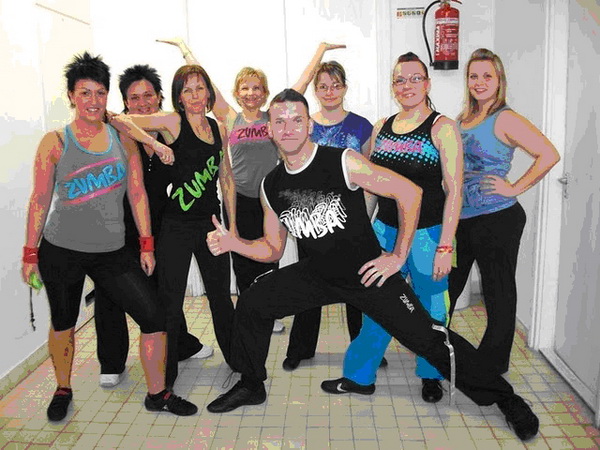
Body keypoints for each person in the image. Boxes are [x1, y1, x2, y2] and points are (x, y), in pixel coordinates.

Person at [204, 89, 540, 443]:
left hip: (366, 273)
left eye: (297, 120)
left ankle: (506, 398)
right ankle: (251, 384)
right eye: (280, 122)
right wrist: (234, 243)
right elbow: (273, 250)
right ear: (270, 129)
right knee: (254, 300)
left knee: (430, 338)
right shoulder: (271, 185)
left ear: (309, 126)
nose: (288, 128)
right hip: (318, 273)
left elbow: (409, 192)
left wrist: (397, 255)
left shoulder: (342, 161)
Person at [21, 52, 197, 421]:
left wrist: (146, 244)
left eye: (100, 93)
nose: (93, 101)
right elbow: (39, 200)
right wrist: (30, 253)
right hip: (62, 250)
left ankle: (158, 394)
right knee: (64, 323)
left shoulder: (122, 137)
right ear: (72, 96)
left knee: (153, 317)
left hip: (112, 252)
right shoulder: (54, 141)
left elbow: (137, 193)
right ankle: (63, 387)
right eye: (85, 93)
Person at [158, 38, 344, 337]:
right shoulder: (230, 119)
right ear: (236, 93)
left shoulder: (274, 117)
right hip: (241, 199)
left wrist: (320, 50)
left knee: (271, 258)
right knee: (243, 261)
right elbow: (206, 82)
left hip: (271, 200)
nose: (251, 93)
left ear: (265, 93)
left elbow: (300, 86)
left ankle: (268, 310)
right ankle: (249, 312)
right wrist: (184, 49)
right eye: (245, 88)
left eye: (257, 88)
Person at [322, 52, 463, 403]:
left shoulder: (442, 127)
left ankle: (431, 374)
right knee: (377, 303)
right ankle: (359, 376)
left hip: (429, 234)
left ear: (427, 84)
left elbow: (454, 190)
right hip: (384, 231)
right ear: (393, 86)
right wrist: (361, 232)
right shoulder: (381, 127)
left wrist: (446, 245)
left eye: (415, 79)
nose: (407, 85)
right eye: (400, 80)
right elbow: (371, 187)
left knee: (432, 307)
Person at [110, 63, 237, 389]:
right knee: (170, 303)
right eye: (187, 90)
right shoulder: (171, 122)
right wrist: (154, 144)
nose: (194, 96)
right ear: (178, 96)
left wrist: (232, 227)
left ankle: (238, 361)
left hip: (211, 225)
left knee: (221, 299)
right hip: (176, 227)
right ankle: (166, 380)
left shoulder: (219, 128)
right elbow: (117, 119)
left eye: (200, 88)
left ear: (208, 92)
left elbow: (226, 178)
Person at [93, 65, 210, 388]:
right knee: (109, 292)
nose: (142, 103)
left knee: (166, 289)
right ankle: (112, 361)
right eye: (134, 98)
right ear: (125, 103)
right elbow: (105, 116)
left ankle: (180, 344)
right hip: (116, 226)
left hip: (162, 225)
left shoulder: (172, 129)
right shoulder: (113, 134)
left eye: (148, 95)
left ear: (160, 97)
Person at [447, 48, 560, 374]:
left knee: (498, 293)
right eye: (473, 76)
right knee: (447, 289)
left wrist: (514, 187)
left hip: (497, 218)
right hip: (462, 219)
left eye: (487, 76)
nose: (479, 82)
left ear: (499, 81)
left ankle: (492, 367)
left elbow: (549, 154)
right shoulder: (463, 119)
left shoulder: (505, 118)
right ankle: (438, 352)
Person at [283, 59, 377, 371]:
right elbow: (294, 171)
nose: (329, 91)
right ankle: (300, 348)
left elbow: (370, 177)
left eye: (336, 85)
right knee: (307, 284)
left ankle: (365, 350)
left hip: (351, 222)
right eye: (323, 86)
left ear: (345, 88)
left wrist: (363, 219)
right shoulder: (306, 125)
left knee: (358, 289)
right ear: (315, 90)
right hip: (311, 220)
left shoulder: (362, 126)